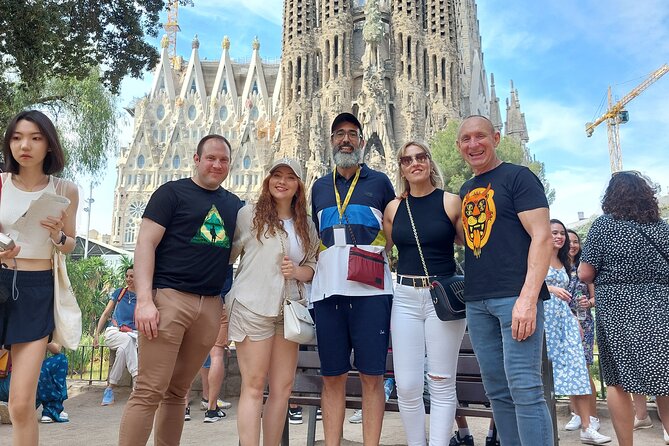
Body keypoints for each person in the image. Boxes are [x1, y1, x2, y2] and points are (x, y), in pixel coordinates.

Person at [117, 134, 242, 445]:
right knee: (149, 390)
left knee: (177, 392)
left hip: (210, 306)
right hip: (169, 300)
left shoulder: (234, 206)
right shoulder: (171, 194)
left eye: (223, 160)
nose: (217, 164)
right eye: (210, 158)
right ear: (196, 159)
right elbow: (145, 243)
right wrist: (145, 299)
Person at [455, 115, 553, 445]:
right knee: (497, 391)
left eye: (480, 136)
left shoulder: (519, 177)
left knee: (525, 387)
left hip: (515, 297)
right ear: (459, 146)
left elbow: (541, 237)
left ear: (496, 138)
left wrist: (528, 298)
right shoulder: (467, 189)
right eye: (466, 139)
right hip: (478, 301)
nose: (473, 144)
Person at [310, 112, 395, 446]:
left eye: (352, 134)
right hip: (328, 292)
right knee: (332, 376)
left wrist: (381, 253)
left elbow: (395, 228)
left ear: (361, 141)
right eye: (339, 133)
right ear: (331, 141)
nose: (346, 139)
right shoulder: (318, 186)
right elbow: (311, 237)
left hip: (371, 291)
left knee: (372, 377)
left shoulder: (380, 182)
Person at [0, 110, 79, 446]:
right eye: (17, 137)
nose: (25, 145)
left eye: (34, 137)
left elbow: (69, 246)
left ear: (48, 144)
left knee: (20, 404)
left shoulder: (65, 189)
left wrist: (59, 235)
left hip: (37, 291)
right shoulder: (0, 183)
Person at [227, 157, 318, 445]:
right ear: (267, 180)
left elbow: (313, 264)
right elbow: (228, 257)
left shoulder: (306, 224)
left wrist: (299, 271)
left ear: (299, 186)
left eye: (290, 177)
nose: (282, 181)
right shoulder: (248, 215)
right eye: (276, 175)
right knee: (253, 387)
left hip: (289, 313)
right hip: (253, 307)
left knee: (282, 388)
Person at [382, 140, 466, 445]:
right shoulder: (393, 207)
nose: (414, 163)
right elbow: (384, 249)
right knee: (406, 385)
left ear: (430, 162)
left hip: (441, 296)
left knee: (442, 382)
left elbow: (467, 244)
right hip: (404, 296)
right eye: (407, 160)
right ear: (401, 168)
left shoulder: (451, 201)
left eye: (420, 157)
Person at [579, 171, 669, 446]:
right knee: (665, 378)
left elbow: (584, 273)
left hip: (618, 308)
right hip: (661, 305)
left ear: (611, 197)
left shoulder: (603, 226)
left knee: (618, 381)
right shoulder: (662, 227)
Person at [544, 219, 610, 444]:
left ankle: (586, 426)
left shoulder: (563, 260)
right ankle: (544, 429)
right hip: (543, 319)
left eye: (561, 233)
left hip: (565, 320)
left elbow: (568, 297)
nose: (559, 237)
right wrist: (550, 288)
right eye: (554, 232)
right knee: (543, 376)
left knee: (578, 369)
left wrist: (575, 320)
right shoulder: (536, 256)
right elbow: (522, 284)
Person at [564, 229, 601, 432]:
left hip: (584, 323)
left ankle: (593, 417)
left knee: (584, 369)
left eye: (575, 241)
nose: (572, 245)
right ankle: (576, 414)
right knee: (570, 369)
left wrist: (589, 302)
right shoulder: (558, 267)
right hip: (563, 323)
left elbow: (596, 298)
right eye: (568, 241)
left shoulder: (585, 268)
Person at [93, 265, 138, 406]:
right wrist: (96, 334)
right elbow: (106, 313)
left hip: (132, 334)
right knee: (126, 341)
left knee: (124, 349)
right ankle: (137, 379)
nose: (128, 279)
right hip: (114, 331)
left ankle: (110, 388)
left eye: (132, 276)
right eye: (127, 276)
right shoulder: (119, 293)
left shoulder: (143, 297)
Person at [0, 342, 70, 424]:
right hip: (16, 382)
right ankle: (51, 410)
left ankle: (16, 408)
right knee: (60, 360)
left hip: (19, 384)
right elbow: (56, 348)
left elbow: (56, 349)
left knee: (45, 369)